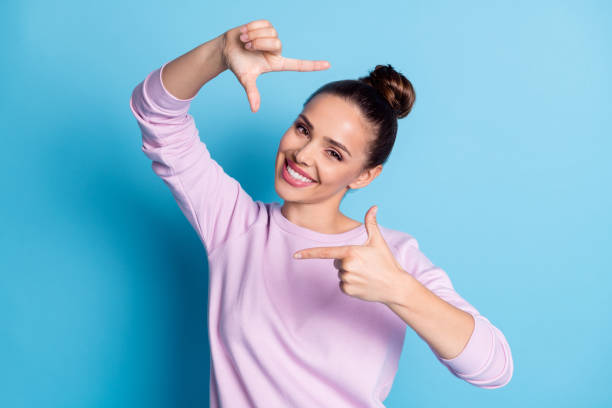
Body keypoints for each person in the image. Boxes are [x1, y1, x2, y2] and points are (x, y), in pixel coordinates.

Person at [129, 19, 513, 407]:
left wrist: (398, 290)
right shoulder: (234, 226)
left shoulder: (391, 258)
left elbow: (494, 368)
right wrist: (219, 52)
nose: (302, 155)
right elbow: (156, 115)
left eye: (333, 153)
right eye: (303, 129)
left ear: (365, 175)